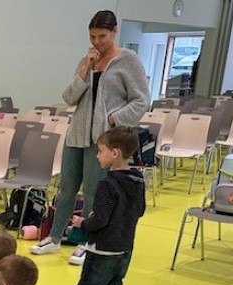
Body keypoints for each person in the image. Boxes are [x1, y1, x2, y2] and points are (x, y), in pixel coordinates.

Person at [31, 10, 148, 267]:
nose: (97, 42)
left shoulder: (129, 61)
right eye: (93, 36)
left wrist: (114, 119)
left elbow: (141, 100)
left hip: (104, 139)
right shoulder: (87, 60)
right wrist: (85, 68)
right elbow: (69, 97)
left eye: (102, 36)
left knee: (94, 192)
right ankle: (54, 237)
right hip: (77, 133)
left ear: (114, 32)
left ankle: (86, 242)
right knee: (66, 188)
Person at [52, 126, 146, 285]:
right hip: (125, 248)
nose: (96, 156)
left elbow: (100, 220)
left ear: (114, 153)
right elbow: (140, 211)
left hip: (102, 248)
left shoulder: (107, 184)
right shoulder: (138, 181)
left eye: (100, 151)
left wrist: (83, 222)